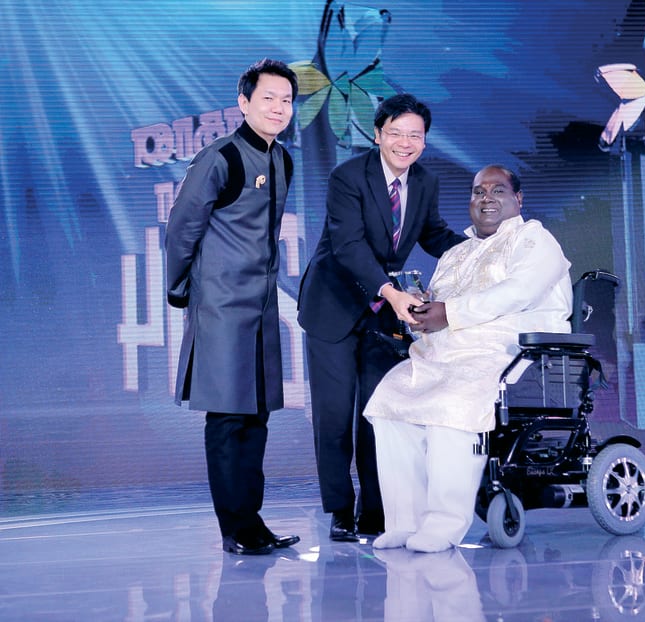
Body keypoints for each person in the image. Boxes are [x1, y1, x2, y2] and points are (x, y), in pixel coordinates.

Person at [363, 165, 573, 553]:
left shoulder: (534, 240)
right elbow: (440, 304)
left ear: (518, 199)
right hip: (442, 352)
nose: (486, 199)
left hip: (510, 352)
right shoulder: (457, 252)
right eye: (479, 192)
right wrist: (423, 313)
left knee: (451, 401)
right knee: (390, 401)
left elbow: (517, 293)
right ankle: (404, 522)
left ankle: (443, 524)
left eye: (497, 191)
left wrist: (450, 313)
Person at [297, 93, 466, 542]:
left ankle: (377, 511)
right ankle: (339, 511)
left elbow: (433, 234)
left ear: (425, 141)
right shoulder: (348, 177)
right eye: (395, 133)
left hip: (381, 318)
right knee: (333, 417)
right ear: (377, 135)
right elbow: (348, 245)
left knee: (380, 415)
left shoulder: (425, 182)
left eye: (415, 135)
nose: (405, 143)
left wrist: (480, 249)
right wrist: (391, 292)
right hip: (333, 306)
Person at [165, 58, 301, 555]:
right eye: (268, 98)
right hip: (220, 305)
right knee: (226, 418)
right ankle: (235, 529)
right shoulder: (219, 157)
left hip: (262, 306)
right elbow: (181, 228)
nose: (278, 108)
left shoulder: (283, 159)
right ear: (243, 103)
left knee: (257, 417)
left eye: (286, 100)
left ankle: (253, 521)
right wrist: (182, 286)